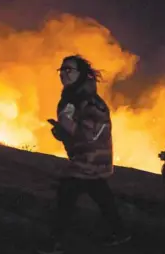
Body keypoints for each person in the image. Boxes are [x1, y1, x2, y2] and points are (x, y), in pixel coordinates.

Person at [38, 55, 131, 254]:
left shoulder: (88, 101)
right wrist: (62, 132)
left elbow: (89, 133)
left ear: (81, 74)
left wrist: (66, 127)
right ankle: (120, 232)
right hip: (90, 160)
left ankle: (55, 243)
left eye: (69, 70)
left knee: (66, 197)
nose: (63, 74)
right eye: (61, 70)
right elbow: (76, 133)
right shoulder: (74, 97)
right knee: (102, 196)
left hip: (88, 161)